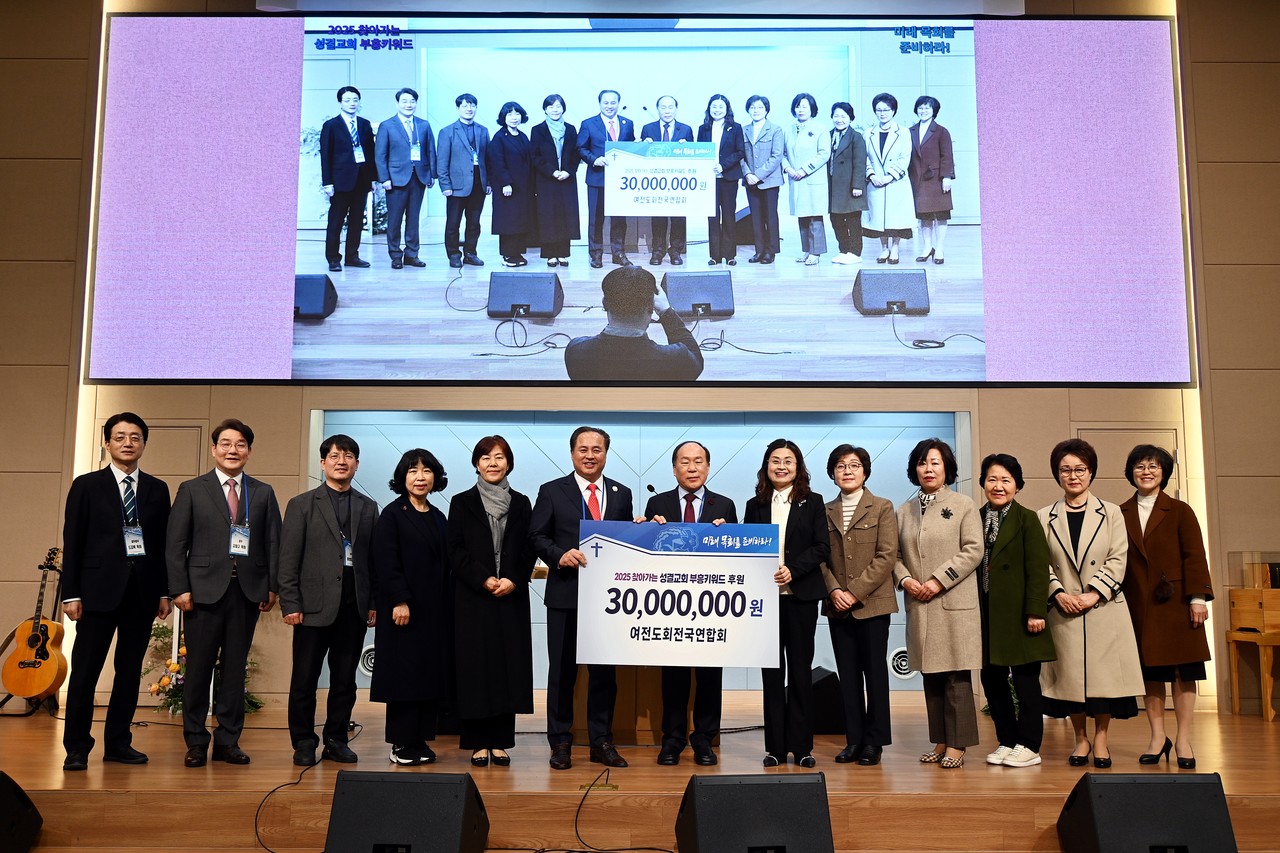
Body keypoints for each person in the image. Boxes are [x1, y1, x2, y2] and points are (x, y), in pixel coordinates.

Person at [167, 419, 281, 768]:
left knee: (234, 670)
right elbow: (175, 544)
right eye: (226, 444)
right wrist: (180, 588)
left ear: (249, 450)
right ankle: (197, 742)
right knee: (198, 669)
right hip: (201, 594)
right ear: (214, 449)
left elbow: (274, 542)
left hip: (246, 592)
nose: (234, 450)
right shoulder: (192, 489)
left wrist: (272, 586)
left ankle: (229, 741)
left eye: (241, 444)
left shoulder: (262, 492)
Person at [61, 413, 171, 772]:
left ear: (144, 444)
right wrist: (70, 593)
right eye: (120, 436)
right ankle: (77, 747)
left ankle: (118, 743)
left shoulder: (157, 489)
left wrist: (165, 592)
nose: (128, 442)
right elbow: (73, 541)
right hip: (96, 593)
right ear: (107, 443)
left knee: (128, 672)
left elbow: (163, 544)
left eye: (135, 437)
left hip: (141, 594)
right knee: (85, 672)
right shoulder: (86, 485)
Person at [530, 426, 635, 770]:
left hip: (608, 601)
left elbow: (626, 541)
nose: (590, 455)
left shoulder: (622, 493)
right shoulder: (551, 491)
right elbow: (537, 535)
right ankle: (560, 743)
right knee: (562, 674)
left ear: (607, 453)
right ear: (572, 453)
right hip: (565, 595)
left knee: (604, 674)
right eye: (583, 449)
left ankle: (601, 741)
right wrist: (559, 555)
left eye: (597, 449)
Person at [1038, 438, 1143, 769]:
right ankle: (1079, 738)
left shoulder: (1111, 512)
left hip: (1102, 608)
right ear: (1057, 474)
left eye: (1080, 469)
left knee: (1103, 682)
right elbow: (1041, 563)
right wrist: (1057, 593)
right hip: (1064, 609)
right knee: (1070, 680)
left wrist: (1094, 593)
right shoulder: (1044, 516)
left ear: (1091, 472)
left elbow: (1118, 559)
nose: (1073, 476)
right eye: (1065, 470)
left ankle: (1101, 739)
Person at [278, 434, 379, 767]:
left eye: (348, 455)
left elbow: (372, 561)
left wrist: (373, 602)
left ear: (356, 464)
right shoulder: (301, 504)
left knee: (344, 681)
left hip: (353, 606)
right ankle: (304, 741)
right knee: (304, 679)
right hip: (311, 607)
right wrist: (290, 604)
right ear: (323, 463)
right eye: (335, 456)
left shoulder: (368, 507)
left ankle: (336, 739)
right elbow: (288, 559)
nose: (341, 461)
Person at [638, 440, 738, 766]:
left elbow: (736, 557)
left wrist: (730, 533)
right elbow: (646, 553)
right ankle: (673, 740)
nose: (692, 468)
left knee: (710, 676)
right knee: (675, 676)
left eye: (698, 462)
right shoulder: (659, 502)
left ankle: (705, 740)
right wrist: (641, 530)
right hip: (673, 607)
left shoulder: (725, 506)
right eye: (685, 462)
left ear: (708, 467)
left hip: (710, 606)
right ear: (674, 468)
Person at [1119, 444, 1213, 769]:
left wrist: (1199, 598)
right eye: (1140, 466)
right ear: (1131, 472)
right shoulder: (1120, 512)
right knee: (1150, 673)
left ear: (1164, 472)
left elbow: (1195, 556)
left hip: (1177, 603)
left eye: (1153, 466)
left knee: (1184, 672)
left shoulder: (1180, 510)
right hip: (1137, 603)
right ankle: (1158, 737)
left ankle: (1184, 739)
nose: (1146, 471)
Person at [894, 438, 982, 769]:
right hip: (919, 604)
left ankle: (958, 745)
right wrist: (905, 579)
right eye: (922, 462)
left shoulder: (963, 504)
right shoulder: (904, 511)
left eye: (935, 462)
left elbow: (974, 549)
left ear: (947, 469)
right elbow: (894, 556)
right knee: (930, 677)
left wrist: (937, 580)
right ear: (914, 469)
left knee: (955, 677)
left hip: (953, 603)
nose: (928, 468)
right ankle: (941, 740)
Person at [447, 435, 535, 768]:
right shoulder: (461, 502)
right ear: (476, 464)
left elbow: (530, 545)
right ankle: (476, 741)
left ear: (508, 462)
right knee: (474, 668)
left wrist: (514, 577)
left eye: (499, 457)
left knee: (506, 667)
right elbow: (454, 549)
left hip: (511, 595)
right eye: (486, 458)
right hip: (473, 597)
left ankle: (500, 741)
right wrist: (482, 578)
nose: (493, 463)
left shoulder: (523, 503)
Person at [744, 438, 829, 768]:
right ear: (767, 466)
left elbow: (822, 547)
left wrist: (792, 570)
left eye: (788, 461)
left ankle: (802, 747)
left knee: (800, 673)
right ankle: (775, 748)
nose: (781, 466)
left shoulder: (814, 502)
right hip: (765, 602)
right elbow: (746, 548)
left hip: (801, 599)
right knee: (771, 675)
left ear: (798, 467)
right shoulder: (755, 505)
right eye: (775, 460)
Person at [370, 449, 454, 766]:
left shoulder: (438, 516)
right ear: (402, 477)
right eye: (413, 471)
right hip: (403, 611)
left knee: (427, 676)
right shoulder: (393, 514)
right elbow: (386, 562)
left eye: (426, 471)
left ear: (435, 477)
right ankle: (401, 743)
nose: (420, 477)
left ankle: (419, 739)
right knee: (403, 676)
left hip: (433, 612)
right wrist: (399, 600)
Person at [819, 443, 898, 766]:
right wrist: (835, 590)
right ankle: (854, 740)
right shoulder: (823, 510)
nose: (847, 471)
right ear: (832, 474)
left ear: (865, 471)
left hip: (873, 605)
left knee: (875, 675)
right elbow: (820, 558)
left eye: (854, 465)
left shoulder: (882, 507)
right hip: (838, 606)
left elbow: (887, 555)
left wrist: (855, 592)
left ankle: (874, 742)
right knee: (847, 676)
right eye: (840, 466)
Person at [975, 453, 1055, 769]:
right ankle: (1007, 740)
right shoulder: (975, 517)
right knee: (992, 681)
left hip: (1020, 615)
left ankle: (1030, 744)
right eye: (992, 479)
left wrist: (1036, 611)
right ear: (983, 482)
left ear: (1017, 485)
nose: (999, 486)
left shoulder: (1027, 518)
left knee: (1025, 682)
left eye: (1006, 480)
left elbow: (1039, 569)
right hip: (986, 615)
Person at [563, 265, 703, 382]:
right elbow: (696, 360)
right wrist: (667, 312)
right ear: (651, 307)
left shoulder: (576, 351)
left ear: (605, 304)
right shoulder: (676, 359)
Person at [374, 87, 435, 269]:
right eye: (405, 101)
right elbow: (380, 155)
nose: (409, 105)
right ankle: (395, 255)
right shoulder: (387, 125)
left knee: (414, 218)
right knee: (394, 220)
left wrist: (432, 174)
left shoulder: (423, 125)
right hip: (395, 179)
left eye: (412, 101)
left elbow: (430, 150)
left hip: (419, 177)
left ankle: (412, 254)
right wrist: (384, 178)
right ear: (397, 104)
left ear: (416, 103)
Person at [319, 86, 377, 272]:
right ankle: (333, 259)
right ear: (340, 102)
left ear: (359, 102)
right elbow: (325, 156)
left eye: (355, 100)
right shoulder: (331, 126)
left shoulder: (365, 124)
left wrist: (373, 179)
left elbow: (371, 153)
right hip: (340, 182)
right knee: (336, 222)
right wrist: (327, 182)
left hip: (361, 181)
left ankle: (352, 256)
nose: (352, 103)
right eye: (347, 100)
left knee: (357, 221)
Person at [578, 89, 636, 268]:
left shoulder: (627, 123)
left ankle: (618, 253)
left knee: (619, 219)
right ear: (600, 104)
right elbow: (580, 148)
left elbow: (630, 147)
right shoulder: (588, 124)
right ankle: (596, 254)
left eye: (613, 103)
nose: (610, 106)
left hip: (620, 181)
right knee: (596, 219)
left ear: (618, 103)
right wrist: (594, 159)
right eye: (606, 103)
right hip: (597, 179)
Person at [436, 93, 490, 269]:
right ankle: (453, 254)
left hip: (478, 183)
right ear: (458, 108)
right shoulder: (447, 132)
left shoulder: (483, 130)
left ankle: (470, 253)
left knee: (474, 222)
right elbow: (442, 161)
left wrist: (488, 182)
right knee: (453, 223)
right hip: (456, 186)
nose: (469, 109)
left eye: (472, 105)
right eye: (465, 106)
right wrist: (445, 185)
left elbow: (487, 159)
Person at [641, 95, 693, 266]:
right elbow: (641, 156)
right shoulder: (648, 129)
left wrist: (687, 148)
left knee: (678, 218)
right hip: (657, 182)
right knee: (658, 218)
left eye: (671, 107)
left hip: (678, 182)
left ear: (676, 109)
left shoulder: (686, 129)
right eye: (663, 107)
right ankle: (658, 251)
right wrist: (644, 145)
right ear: (658, 109)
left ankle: (676, 251)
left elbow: (694, 159)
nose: (667, 110)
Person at [530, 94, 580, 267]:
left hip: (567, 179)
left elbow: (576, 154)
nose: (555, 110)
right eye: (551, 107)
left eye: (558, 106)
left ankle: (563, 253)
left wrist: (568, 171)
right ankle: (550, 253)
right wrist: (552, 172)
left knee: (565, 216)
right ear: (545, 109)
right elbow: (534, 156)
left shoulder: (571, 129)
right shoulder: (537, 130)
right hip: (546, 180)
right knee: (548, 216)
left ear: (563, 108)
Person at [863, 93, 914, 264]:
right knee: (879, 218)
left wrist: (888, 177)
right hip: (875, 182)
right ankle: (884, 248)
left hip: (895, 183)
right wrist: (872, 175)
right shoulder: (868, 133)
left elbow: (905, 158)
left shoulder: (904, 132)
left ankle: (895, 249)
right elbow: (864, 158)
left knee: (895, 218)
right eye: (878, 110)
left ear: (893, 111)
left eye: (886, 110)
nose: (882, 113)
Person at [696, 94, 745, 266]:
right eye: (714, 106)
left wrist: (723, 165)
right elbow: (699, 151)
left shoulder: (736, 127)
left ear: (727, 109)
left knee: (729, 216)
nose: (717, 110)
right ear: (709, 109)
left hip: (728, 178)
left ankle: (730, 255)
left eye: (721, 107)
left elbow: (740, 152)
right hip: (709, 180)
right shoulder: (703, 128)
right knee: (713, 216)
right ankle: (714, 256)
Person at [782, 93, 830, 266]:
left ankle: (816, 252)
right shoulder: (788, 129)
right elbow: (783, 154)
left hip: (812, 178)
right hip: (795, 179)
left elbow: (824, 153)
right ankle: (806, 250)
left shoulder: (820, 128)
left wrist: (804, 169)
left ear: (812, 109)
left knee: (814, 217)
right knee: (802, 217)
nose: (800, 109)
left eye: (804, 106)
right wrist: (787, 168)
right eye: (798, 106)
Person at [487, 101, 534, 268]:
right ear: (503, 117)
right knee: (508, 221)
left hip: (523, 187)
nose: (514, 118)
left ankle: (517, 252)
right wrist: (506, 183)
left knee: (520, 220)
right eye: (510, 114)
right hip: (507, 188)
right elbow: (497, 163)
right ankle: (507, 254)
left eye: (517, 114)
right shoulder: (499, 138)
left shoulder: (522, 136)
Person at [908, 96, 955, 264]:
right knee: (924, 216)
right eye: (920, 107)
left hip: (937, 179)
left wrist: (947, 177)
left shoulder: (942, 131)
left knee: (941, 215)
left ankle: (939, 248)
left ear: (934, 111)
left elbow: (947, 156)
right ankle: (927, 247)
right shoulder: (911, 130)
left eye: (927, 108)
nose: (923, 110)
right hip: (917, 180)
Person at [741, 95, 784, 264]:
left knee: (770, 216)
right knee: (756, 217)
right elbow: (740, 155)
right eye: (752, 108)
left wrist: (758, 175)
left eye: (759, 107)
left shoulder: (775, 129)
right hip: (749, 180)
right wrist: (747, 174)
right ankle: (759, 250)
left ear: (766, 110)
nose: (756, 110)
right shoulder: (743, 130)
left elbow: (777, 156)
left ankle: (770, 251)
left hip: (770, 181)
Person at [826, 102, 867, 265]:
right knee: (836, 220)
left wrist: (857, 185)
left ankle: (855, 252)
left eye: (843, 116)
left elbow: (860, 163)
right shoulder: (828, 135)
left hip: (850, 186)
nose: (839, 119)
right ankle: (843, 250)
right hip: (833, 187)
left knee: (853, 220)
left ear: (850, 118)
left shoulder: (856, 136)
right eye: (836, 116)